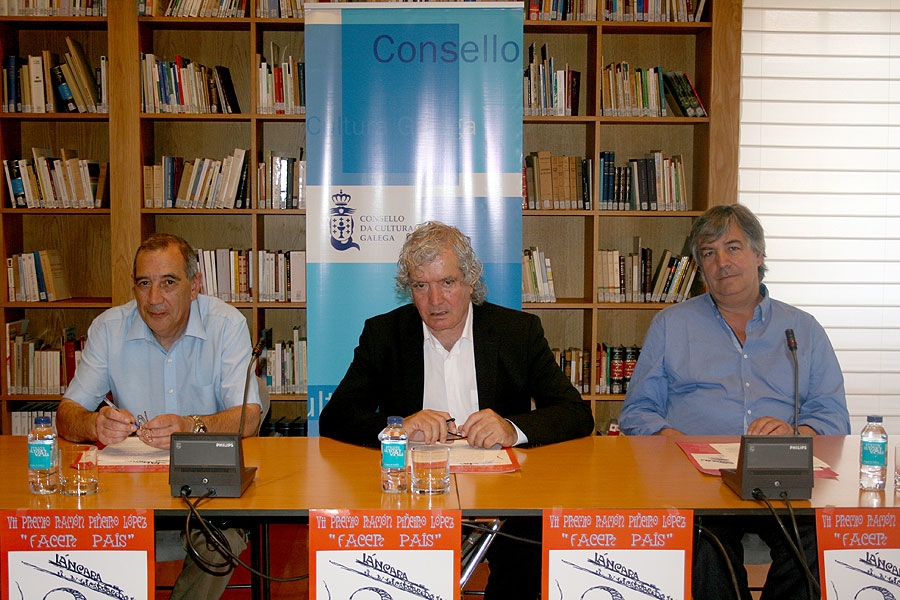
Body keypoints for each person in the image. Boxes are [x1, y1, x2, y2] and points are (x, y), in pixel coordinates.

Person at [319, 220, 595, 599]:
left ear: (469, 281)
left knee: (530, 561)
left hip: (505, 499)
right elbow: (335, 416)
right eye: (421, 286)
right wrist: (399, 427)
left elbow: (576, 413)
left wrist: (511, 429)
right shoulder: (385, 334)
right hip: (415, 497)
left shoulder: (517, 331)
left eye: (446, 283)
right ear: (409, 289)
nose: (435, 301)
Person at [619, 204, 850, 600]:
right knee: (704, 550)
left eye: (733, 248)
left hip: (783, 480)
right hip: (698, 479)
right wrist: (672, 439)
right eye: (709, 253)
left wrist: (796, 432)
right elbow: (637, 412)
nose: (722, 262)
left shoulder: (803, 329)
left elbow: (833, 415)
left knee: (815, 546)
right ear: (700, 266)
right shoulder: (671, 325)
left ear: (759, 256)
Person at [56, 233, 261, 600]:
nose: (154, 299)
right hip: (127, 494)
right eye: (144, 284)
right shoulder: (108, 328)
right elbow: (66, 415)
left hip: (205, 491)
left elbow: (249, 418)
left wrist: (191, 426)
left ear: (195, 285)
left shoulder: (226, 325)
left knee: (221, 539)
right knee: (66, 527)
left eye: (168, 283)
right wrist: (93, 423)